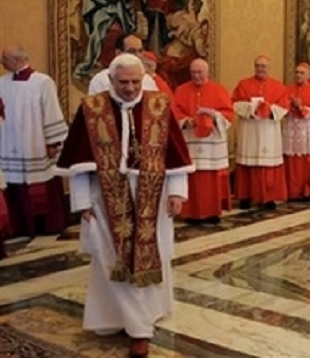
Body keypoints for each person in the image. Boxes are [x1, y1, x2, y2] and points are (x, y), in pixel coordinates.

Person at [56, 53, 194, 358]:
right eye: (123, 83)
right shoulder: (92, 109)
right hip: (105, 196)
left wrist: (177, 192)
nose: (130, 88)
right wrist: (81, 201)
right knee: (111, 258)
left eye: (135, 81)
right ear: (110, 80)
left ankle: (140, 325)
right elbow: (78, 162)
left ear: (143, 78)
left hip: (153, 196)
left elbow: (176, 153)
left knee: (149, 256)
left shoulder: (159, 106)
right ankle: (119, 319)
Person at [0, 46, 69, 239]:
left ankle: (44, 224)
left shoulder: (42, 82)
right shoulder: (2, 82)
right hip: (9, 140)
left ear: (17, 60)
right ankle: (17, 225)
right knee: (11, 180)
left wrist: (53, 142)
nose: (1, 62)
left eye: (4, 58)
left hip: (35, 141)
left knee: (39, 180)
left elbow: (51, 110)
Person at [174, 59, 233, 221]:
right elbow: (174, 112)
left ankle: (211, 212)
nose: (196, 76)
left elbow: (228, 114)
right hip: (190, 139)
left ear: (207, 72)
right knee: (191, 175)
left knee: (210, 177)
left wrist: (213, 115)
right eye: (193, 72)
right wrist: (186, 121)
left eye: (200, 72)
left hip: (212, 144)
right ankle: (191, 212)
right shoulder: (181, 90)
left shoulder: (219, 90)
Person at [232, 56, 288, 210]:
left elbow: (284, 106)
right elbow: (235, 103)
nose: (260, 69)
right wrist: (252, 108)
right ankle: (245, 196)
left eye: (263, 66)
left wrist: (269, 109)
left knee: (267, 163)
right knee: (247, 162)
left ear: (269, 68)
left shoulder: (278, 86)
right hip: (249, 128)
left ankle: (268, 197)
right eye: (257, 66)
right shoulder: (243, 84)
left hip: (268, 129)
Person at [284, 63, 310, 199]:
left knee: (308, 160)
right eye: (297, 72)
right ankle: (293, 190)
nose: (298, 75)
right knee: (293, 159)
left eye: (302, 73)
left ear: (309, 75)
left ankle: (308, 190)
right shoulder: (288, 89)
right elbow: (282, 108)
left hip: (308, 129)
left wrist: (302, 108)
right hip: (292, 128)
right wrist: (291, 106)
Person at [89, 33, 158, 94]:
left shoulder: (148, 80)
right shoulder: (100, 80)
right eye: (132, 51)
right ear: (118, 53)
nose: (138, 56)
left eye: (140, 51)